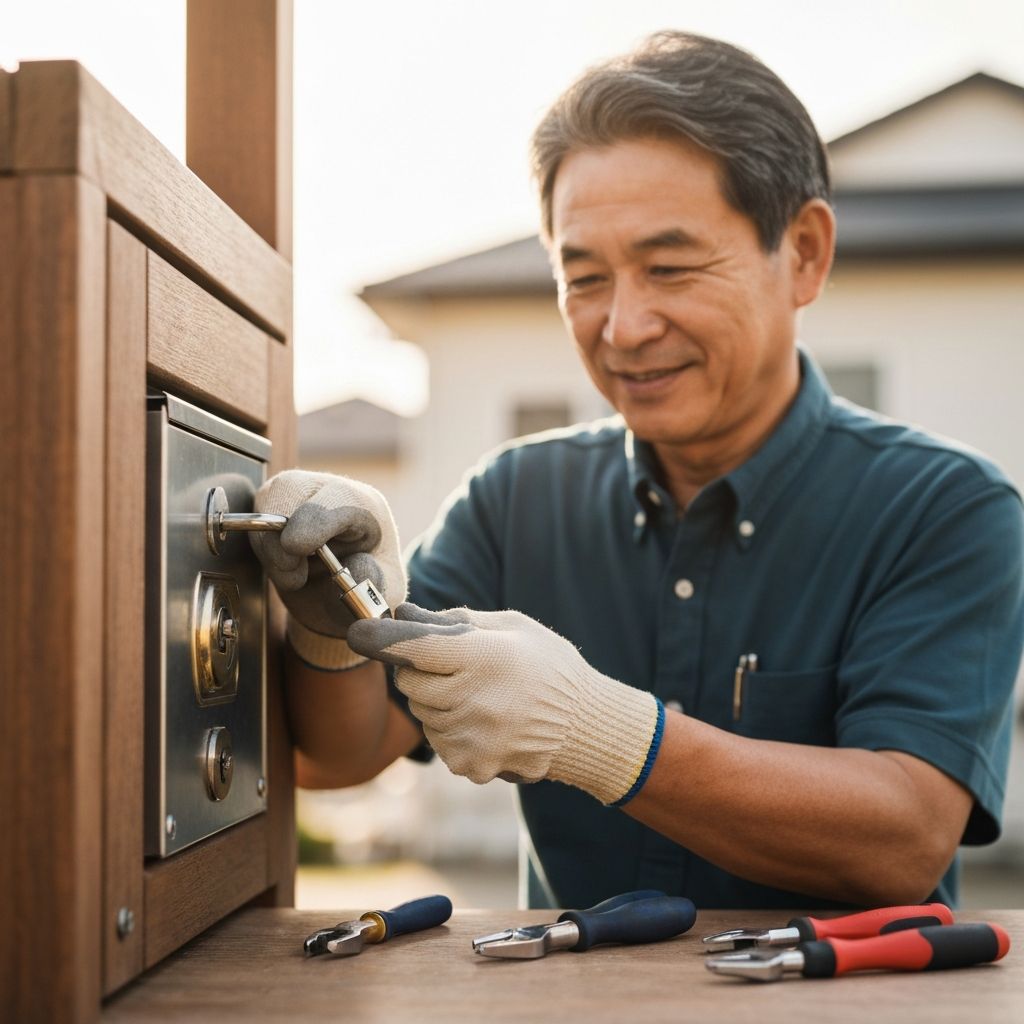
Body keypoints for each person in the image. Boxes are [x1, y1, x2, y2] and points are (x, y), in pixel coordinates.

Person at [253, 31, 1024, 910]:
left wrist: (600, 734)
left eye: (669, 267)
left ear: (804, 252)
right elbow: (338, 755)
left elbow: (903, 839)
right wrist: (325, 627)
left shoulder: (945, 508)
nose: (622, 326)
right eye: (583, 278)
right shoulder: (514, 502)